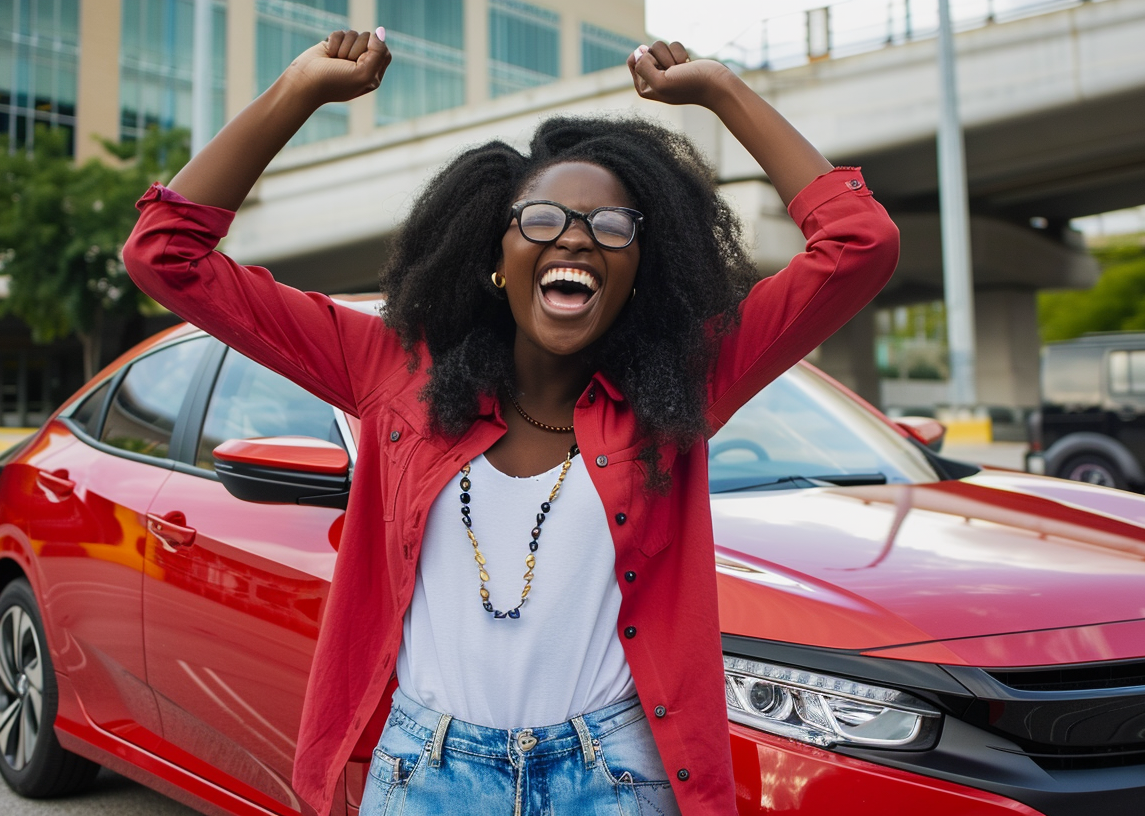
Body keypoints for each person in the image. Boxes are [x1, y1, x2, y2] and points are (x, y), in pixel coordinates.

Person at [124, 27, 898, 816]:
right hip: (426, 773)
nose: (575, 237)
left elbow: (859, 244)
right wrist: (298, 91)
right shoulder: (391, 369)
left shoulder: (682, 387)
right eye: (542, 219)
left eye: (611, 227)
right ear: (495, 257)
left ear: (640, 268)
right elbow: (165, 254)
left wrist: (721, 91)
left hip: (614, 775)